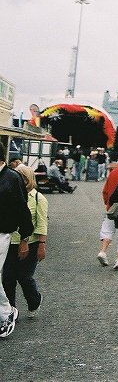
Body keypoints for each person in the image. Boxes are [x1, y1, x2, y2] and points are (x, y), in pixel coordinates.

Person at [2, 165, 48, 318]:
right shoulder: (10, 193)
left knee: (24, 277)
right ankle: (10, 310)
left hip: (31, 242)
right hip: (10, 242)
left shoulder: (38, 198)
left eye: (23, 176)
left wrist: (41, 244)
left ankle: (34, 300)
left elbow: (41, 223)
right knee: (7, 277)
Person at [0, 140, 34, 338]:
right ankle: (6, 311)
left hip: (3, 232)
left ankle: (7, 312)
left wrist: (25, 236)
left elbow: (23, 209)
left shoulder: (12, 178)